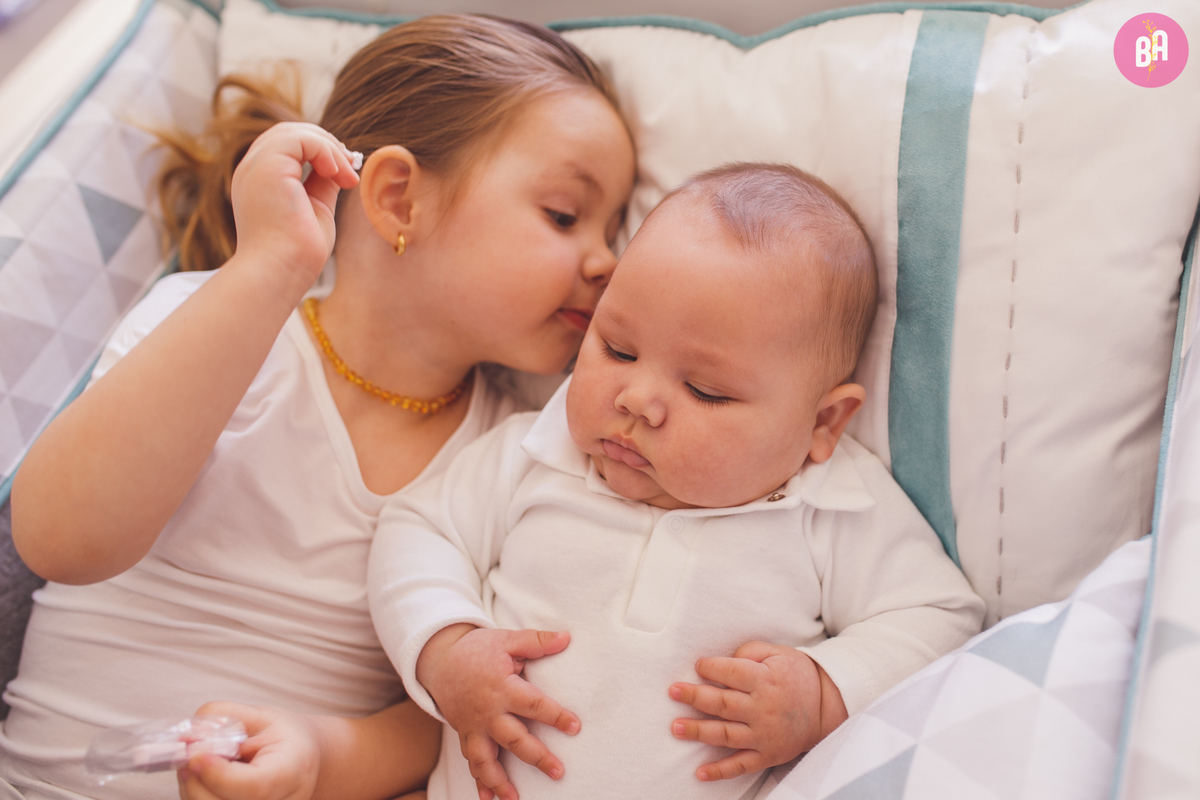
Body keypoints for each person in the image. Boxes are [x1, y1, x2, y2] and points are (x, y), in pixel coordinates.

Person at [1, 15, 634, 800]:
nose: (610, 261)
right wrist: (271, 265)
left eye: (617, 228)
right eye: (567, 215)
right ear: (399, 199)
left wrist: (317, 758)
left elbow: (445, 712)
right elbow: (58, 539)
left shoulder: (516, 453)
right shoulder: (217, 321)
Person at [368, 164, 986, 800]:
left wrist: (824, 692)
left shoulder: (830, 504)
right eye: (618, 350)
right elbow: (416, 530)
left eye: (705, 390)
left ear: (821, 423)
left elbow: (941, 618)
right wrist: (447, 652)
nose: (637, 399)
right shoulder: (532, 454)